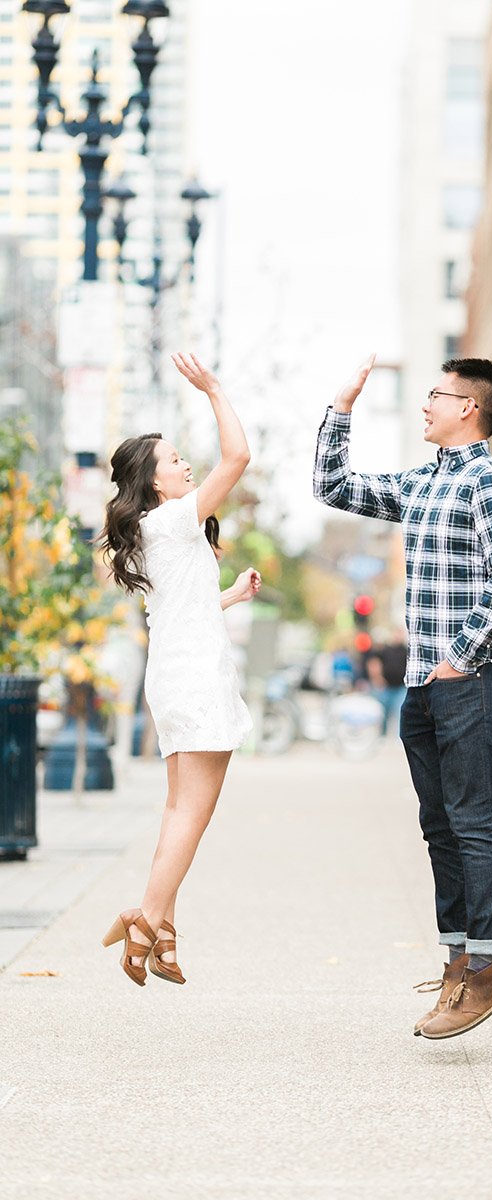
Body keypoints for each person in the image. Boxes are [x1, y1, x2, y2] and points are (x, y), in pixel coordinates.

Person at [314, 355, 492, 1039]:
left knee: (471, 819)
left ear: (469, 406)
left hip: (476, 677)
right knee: (439, 827)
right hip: (423, 683)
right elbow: (333, 485)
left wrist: (458, 659)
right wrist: (341, 408)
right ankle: (458, 963)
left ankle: (489, 970)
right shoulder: (421, 482)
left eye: (436, 395)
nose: (426, 405)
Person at [98, 353, 261, 987]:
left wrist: (228, 598)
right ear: (154, 481)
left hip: (175, 672)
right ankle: (146, 923)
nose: (185, 464)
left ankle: (160, 929)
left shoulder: (153, 530)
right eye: (172, 460)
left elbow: (177, 609)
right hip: (195, 677)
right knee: (193, 814)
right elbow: (239, 458)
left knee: (177, 811)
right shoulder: (170, 519)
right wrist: (215, 388)